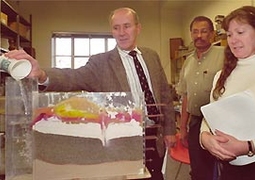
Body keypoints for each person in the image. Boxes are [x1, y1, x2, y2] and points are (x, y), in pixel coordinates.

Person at [5, 7, 176, 180]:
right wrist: (42, 74)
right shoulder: (100, 63)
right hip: (121, 144)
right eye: (116, 28)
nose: (122, 33)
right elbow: (72, 77)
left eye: (127, 26)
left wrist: (170, 130)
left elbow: (164, 94)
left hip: (156, 138)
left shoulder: (151, 56)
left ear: (138, 28)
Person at [200, 6, 255, 180]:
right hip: (230, 170)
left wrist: (249, 146)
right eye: (229, 34)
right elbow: (209, 116)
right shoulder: (221, 76)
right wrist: (205, 138)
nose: (233, 40)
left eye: (240, 32)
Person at [178, 16, 225, 180]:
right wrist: (183, 127)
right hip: (196, 122)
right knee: (198, 168)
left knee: (222, 168)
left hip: (219, 122)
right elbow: (185, 96)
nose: (199, 35)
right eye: (195, 32)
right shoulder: (188, 62)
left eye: (204, 31)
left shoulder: (225, 55)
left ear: (212, 34)